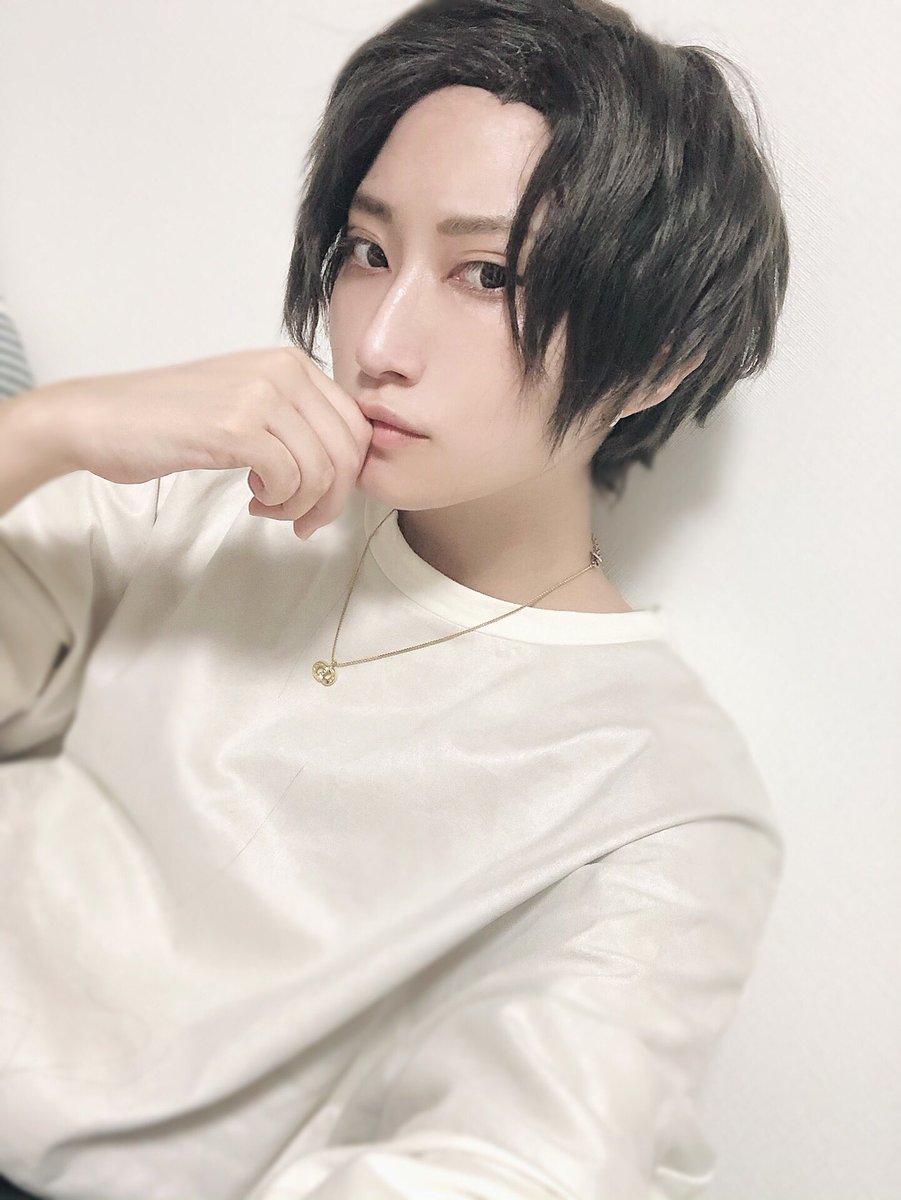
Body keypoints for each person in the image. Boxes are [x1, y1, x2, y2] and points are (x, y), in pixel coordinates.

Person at [0, 1, 790, 1197]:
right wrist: (50, 430)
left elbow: (514, 1165)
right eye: (369, 252)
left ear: (658, 358)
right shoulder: (205, 497)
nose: (379, 342)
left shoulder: (661, 801)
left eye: (487, 275)